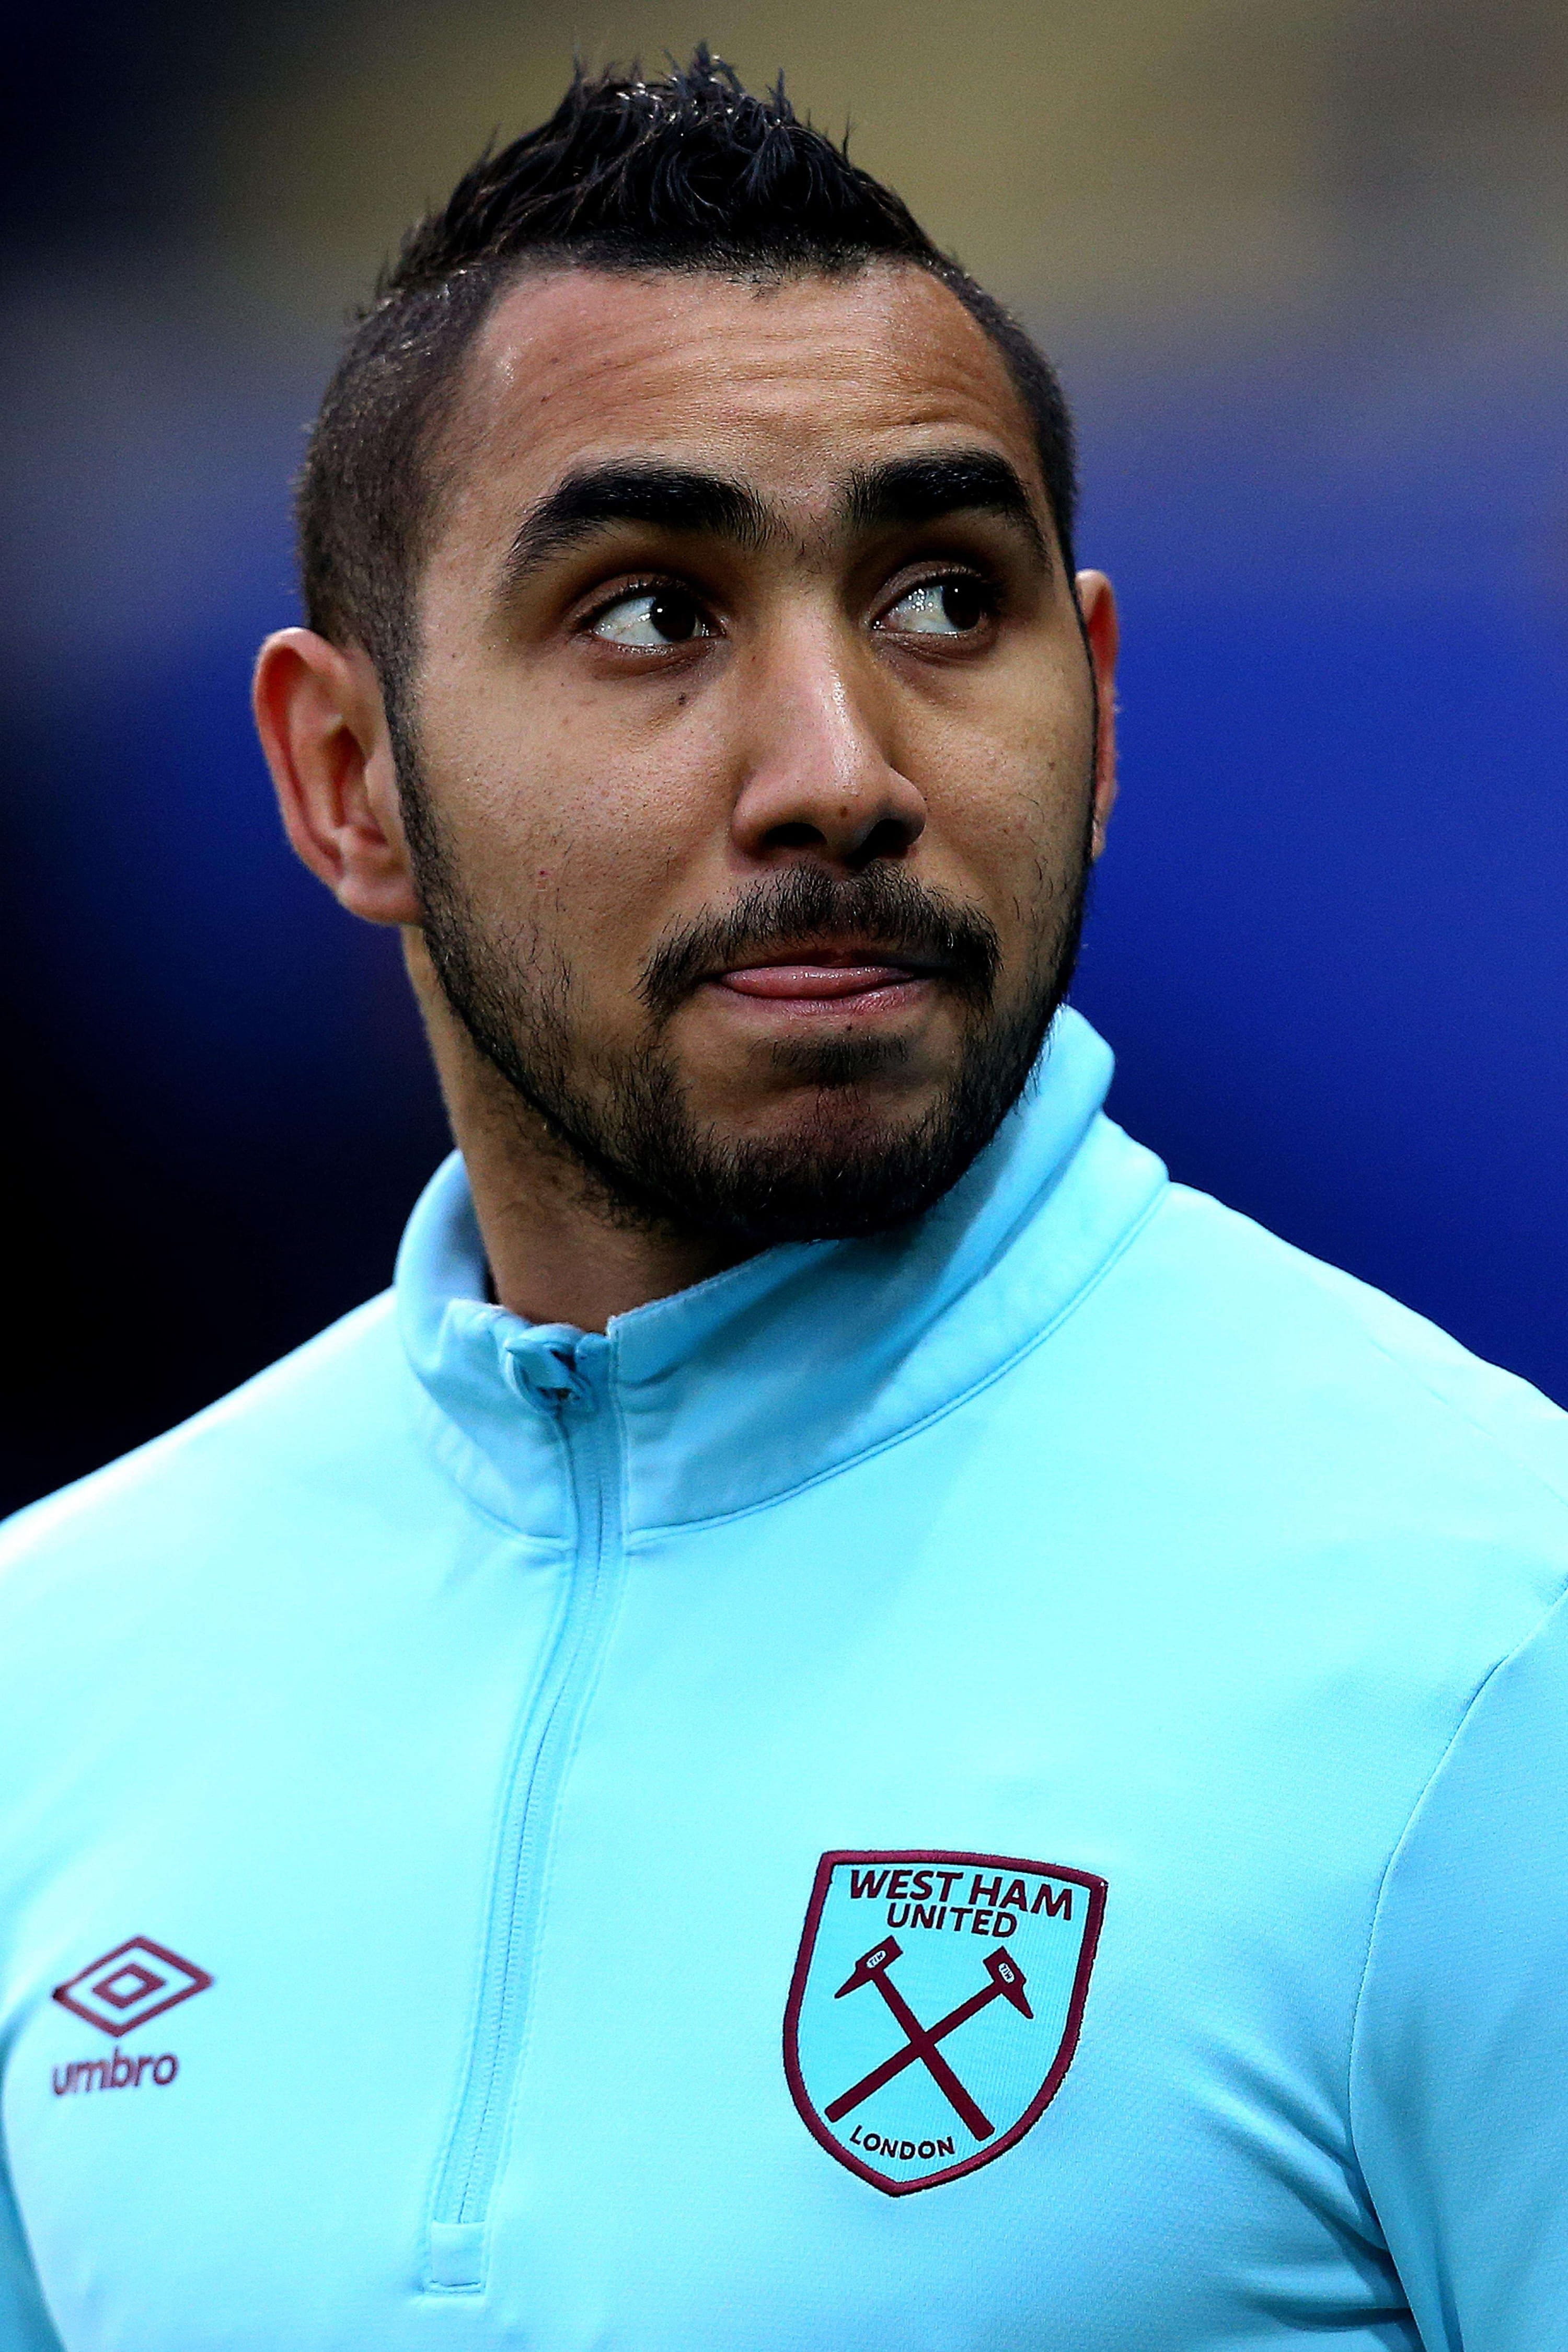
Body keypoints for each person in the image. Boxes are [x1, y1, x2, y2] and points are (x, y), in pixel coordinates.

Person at [2, 50, 1565, 2352]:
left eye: (940, 599)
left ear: (1099, 713)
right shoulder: (54, 1674)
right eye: (651, 613)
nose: (839, 770)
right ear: (349, 780)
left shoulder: (1495, 1645)